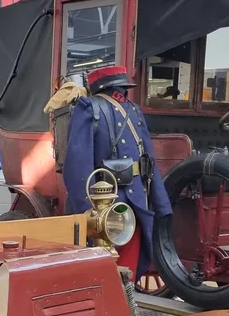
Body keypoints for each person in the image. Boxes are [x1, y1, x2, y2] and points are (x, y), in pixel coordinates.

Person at [62, 65, 172, 278]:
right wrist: (89, 215)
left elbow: (148, 161)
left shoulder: (133, 110)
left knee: (126, 270)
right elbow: (77, 167)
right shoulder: (89, 108)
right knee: (103, 270)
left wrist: (160, 202)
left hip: (134, 203)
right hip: (106, 205)